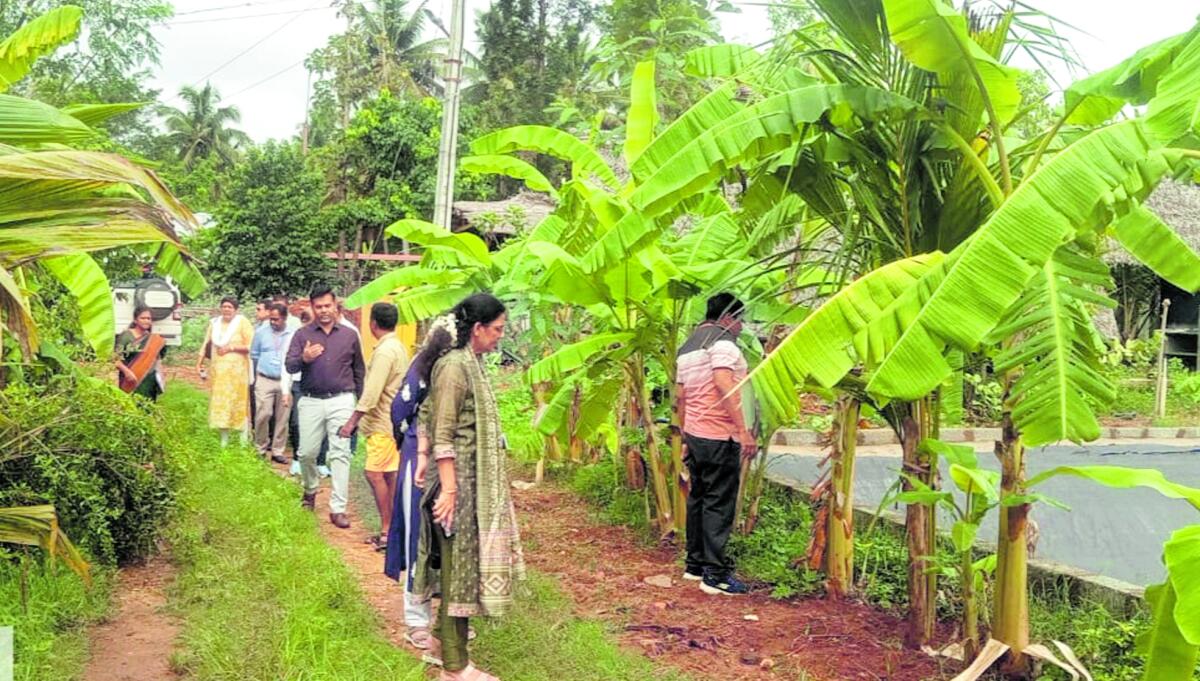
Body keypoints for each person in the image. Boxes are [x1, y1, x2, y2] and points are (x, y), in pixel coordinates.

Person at [412, 293, 524, 680]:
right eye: (497, 329)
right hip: (456, 487)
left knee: (459, 571)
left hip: (469, 487)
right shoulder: (454, 367)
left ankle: (442, 646)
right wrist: (449, 491)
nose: (500, 336)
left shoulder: (470, 363)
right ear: (477, 328)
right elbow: (442, 431)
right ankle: (455, 667)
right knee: (456, 574)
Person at [675, 292, 756, 596]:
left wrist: (685, 437)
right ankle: (715, 576)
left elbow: (681, 397)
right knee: (718, 504)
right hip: (720, 435)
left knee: (699, 498)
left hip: (696, 435)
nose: (741, 327)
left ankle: (695, 565)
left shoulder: (688, 348)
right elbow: (723, 382)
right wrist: (743, 430)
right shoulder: (723, 343)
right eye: (739, 320)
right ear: (727, 318)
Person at [384, 316, 455, 649]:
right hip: (421, 456)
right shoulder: (423, 368)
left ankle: (451, 619)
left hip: (458, 459)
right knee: (418, 534)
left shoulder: (470, 368)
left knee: (451, 538)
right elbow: (401, 408)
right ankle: (416, 618)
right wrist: (410, 444)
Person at [285, 285, 365, 529]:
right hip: (310, 399)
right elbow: (290, 366)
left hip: (342, 399)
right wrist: (305, 358)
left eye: (327, 306)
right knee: (306, 453)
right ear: (312, 307)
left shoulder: (350, 335)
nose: (323, 311)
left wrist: (360, 405)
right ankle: (310, 489)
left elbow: (359, 371)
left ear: (335, 305)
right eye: (318, 307)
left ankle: (338, 508)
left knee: (340, 453)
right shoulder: (302, 335)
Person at [338, 302, 408, 549]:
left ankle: (388, 530)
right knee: (389, 474)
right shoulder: (398, 347)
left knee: (374, 473)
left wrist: (351, 422)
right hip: (393, 422)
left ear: (373, 324)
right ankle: (391, 531)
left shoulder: (385, 351)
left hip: (382, 423)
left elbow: (372, 392)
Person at [196, 297, 254, 447]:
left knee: (238, 404)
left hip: (237, 374)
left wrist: (231, 348)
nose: (227, 309)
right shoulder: (214, 323)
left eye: (230, 307)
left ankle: (243, 441)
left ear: (236, 310)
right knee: (221, 404)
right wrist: (199, 363)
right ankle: (224, 440)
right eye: (224, 306)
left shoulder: (242, 322)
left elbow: (251, 346)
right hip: (219, 374)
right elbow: (205, 344)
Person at [251, 303, 294, 464]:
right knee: (263, 413)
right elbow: (254, 355)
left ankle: (278, 450)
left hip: (285, 381)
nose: (273, 322)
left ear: (285, 318)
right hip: (265, 379)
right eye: (271, 319)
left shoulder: (293, 334)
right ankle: (260, 447)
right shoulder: (261, 332)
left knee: (283, 417)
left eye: (276, 319)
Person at [115, 304, 166, 401]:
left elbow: (157, 360)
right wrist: (127, 373)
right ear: (135, 320)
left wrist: (161, 377)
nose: (146, 321)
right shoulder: (126, 336)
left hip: (149, 381)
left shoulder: (153, 339)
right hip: (130, 379)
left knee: (148, 406)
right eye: (143, 318)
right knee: (129, 404)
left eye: (149, 318)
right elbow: (116, 360)